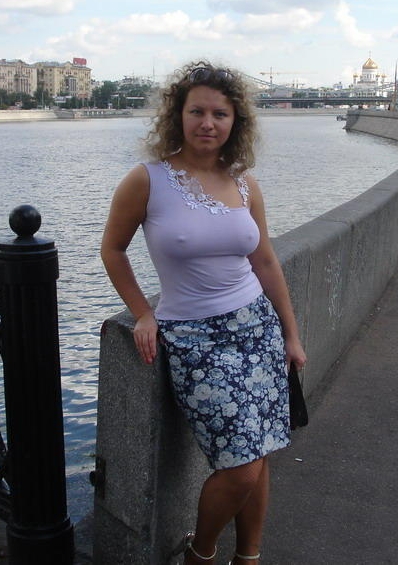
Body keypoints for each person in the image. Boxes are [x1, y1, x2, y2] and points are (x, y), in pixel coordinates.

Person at [101, 60, 306, 565]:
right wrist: (143, 313)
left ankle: (249, 557)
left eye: (220, 114)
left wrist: (291, 334)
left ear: (236, 121)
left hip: (257, 328)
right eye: (197, 112)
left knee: (258, 454)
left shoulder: (243, 182)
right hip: (194, 339)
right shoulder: (147, 180)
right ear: (178, 115)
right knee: (239, 465)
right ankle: (202, 553)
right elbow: (112, 250)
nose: (208, 123)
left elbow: (264, 260)